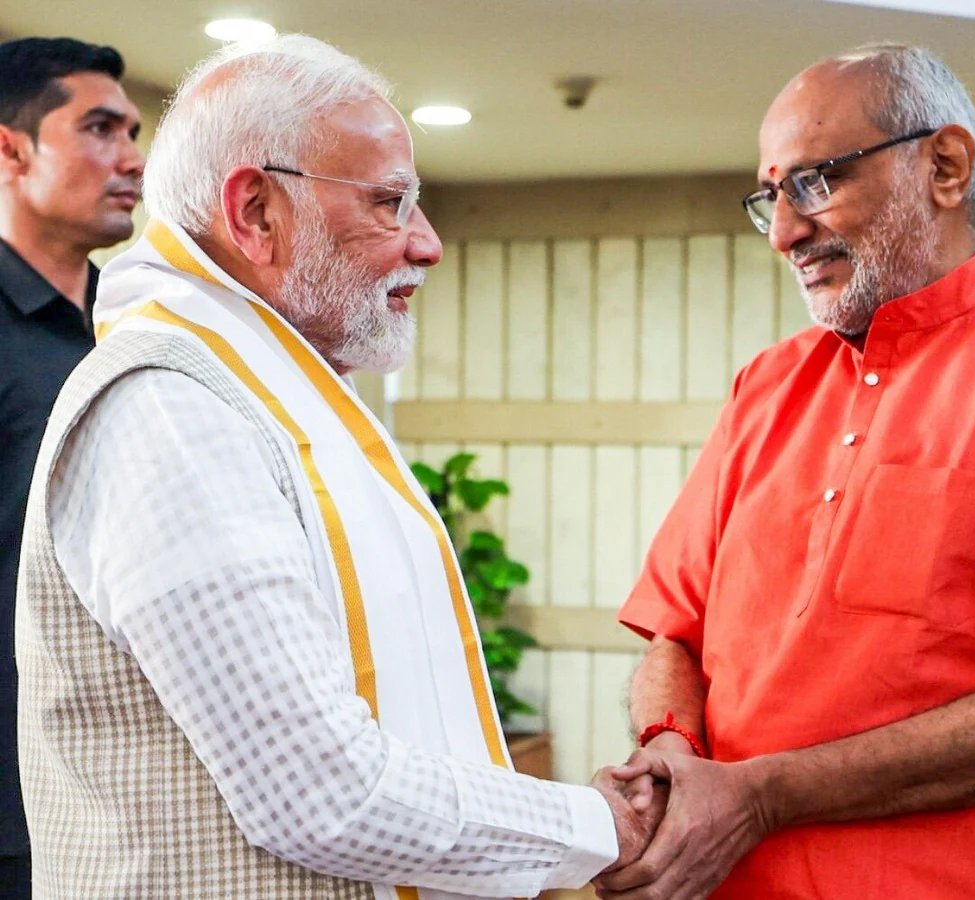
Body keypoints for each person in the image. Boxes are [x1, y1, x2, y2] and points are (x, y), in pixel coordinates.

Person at [15, 35, 653, 899]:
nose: (427, 244)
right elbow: (317, 790)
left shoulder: (279, 389)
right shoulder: (170, 408)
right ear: (256, 212)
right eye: (392, 203)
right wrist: (594, 825)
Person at [601, 43, 975, 900]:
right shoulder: (767, 383)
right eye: (771, 197)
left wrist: (764, 796)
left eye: (814, 183)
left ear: (944, 167)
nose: (784, 233)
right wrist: (670, 755)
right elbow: (673, 637)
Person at [0, 36, 143, 900]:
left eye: (132, 132)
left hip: (122, 794)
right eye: (98, 128)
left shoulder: (140, 332)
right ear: (11, 149)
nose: (132, 159)